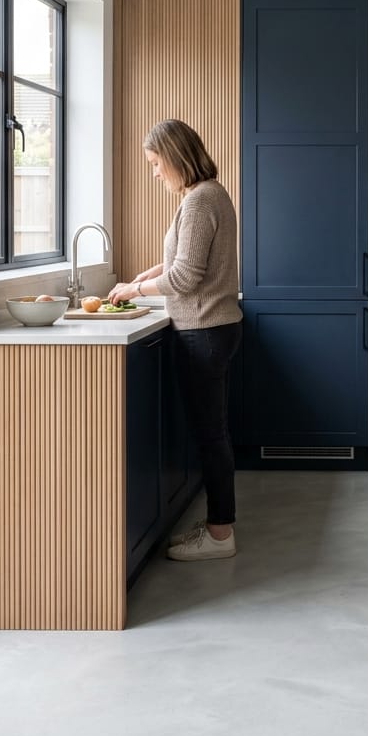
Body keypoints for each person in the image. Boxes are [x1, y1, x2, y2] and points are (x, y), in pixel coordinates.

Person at [108, 119, 242, 562]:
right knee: (213, 433)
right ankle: (216, 528)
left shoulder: (201, 200)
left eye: (155, 163)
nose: (154, 173)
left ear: (175, 157)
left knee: (210, 436)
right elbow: (184, 262)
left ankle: (220, 535)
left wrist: (134, 291)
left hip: (204, 330)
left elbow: (186, 277)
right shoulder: (207, 195)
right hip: (212, 328)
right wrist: (149, 274)